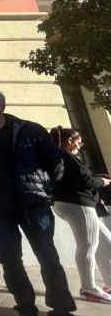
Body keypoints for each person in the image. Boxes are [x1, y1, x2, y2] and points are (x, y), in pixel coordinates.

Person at [0, 88, 88, 316]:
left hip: (33, 206)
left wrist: (42, 190)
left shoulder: (31, 130)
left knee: (49, 259)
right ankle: (27, 313)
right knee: (10, 261)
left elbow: (56, 165)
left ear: (0, 104)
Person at [49, 126, 111, 304]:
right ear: (70, 141)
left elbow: (77, 179)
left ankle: (108, 283)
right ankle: (89, 288)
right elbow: (85, 182)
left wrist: (95, 178)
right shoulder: (67, 157)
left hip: (69, 204)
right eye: (79, 141)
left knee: (105, 242)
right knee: (88, 246)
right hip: (79, 205)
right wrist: (103, 181)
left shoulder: (60, 157)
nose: (80, 145)